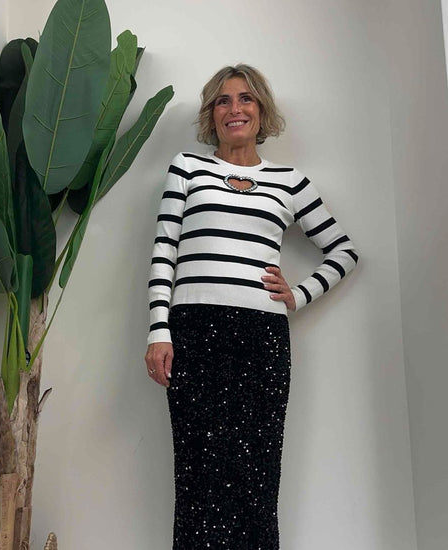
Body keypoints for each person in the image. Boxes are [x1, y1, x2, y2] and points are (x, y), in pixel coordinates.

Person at [145, 64, 358, 549]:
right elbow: (164, 251)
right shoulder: (187, 168)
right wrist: (160, 330)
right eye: (222, 100)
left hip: (261, 337)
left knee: (256, 474)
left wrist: (299, 293)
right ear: (211, 113)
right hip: (194, 330)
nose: (234, 108)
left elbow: (344, 251)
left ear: (261, 110)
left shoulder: (290, 181)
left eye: (245, 99)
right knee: (197, 470)